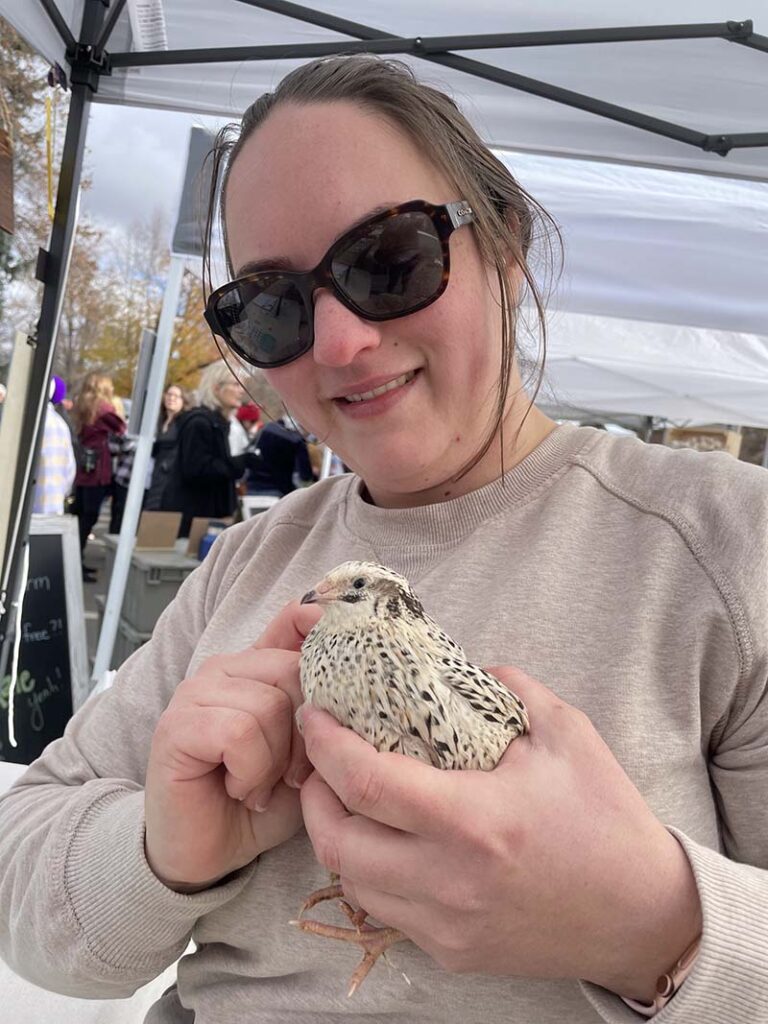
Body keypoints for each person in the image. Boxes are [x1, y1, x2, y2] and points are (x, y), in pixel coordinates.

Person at [0, 56, 765, 1024]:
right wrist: (163, 847)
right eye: (270, 306)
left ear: (504, 241)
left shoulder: (733, 544)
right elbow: (29, 896)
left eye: (389, 261)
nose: (339, 343)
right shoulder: (253, 561)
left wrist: (657, 926)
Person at [160, 360, 255, 537]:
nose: (241, 390)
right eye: (235, 384)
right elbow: (196, 470)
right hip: (193, 521)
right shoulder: (200, 423)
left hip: (209, 518)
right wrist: (241, 462)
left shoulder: (219, 423)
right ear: (216, 388)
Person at [70, 371, 125, 581]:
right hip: (98, 469)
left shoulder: (82, 405)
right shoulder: (104, 408)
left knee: (80, 515)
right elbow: (121, 428)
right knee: (89, 517)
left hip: (84, 467)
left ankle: (76, 559)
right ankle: (76, 564)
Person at [31, 377, 77, 515]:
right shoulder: (60, 425)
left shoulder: (31, 419)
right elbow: (70, 468)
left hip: (27, 507)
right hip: (53, 504)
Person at [144, 383, 192, 511]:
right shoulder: (159, 419)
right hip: (153, 474)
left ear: (184, 400)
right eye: (169, 394)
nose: (172, 398)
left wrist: (167, 465)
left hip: (168, 475)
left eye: (176, 396)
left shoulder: (183, 422)